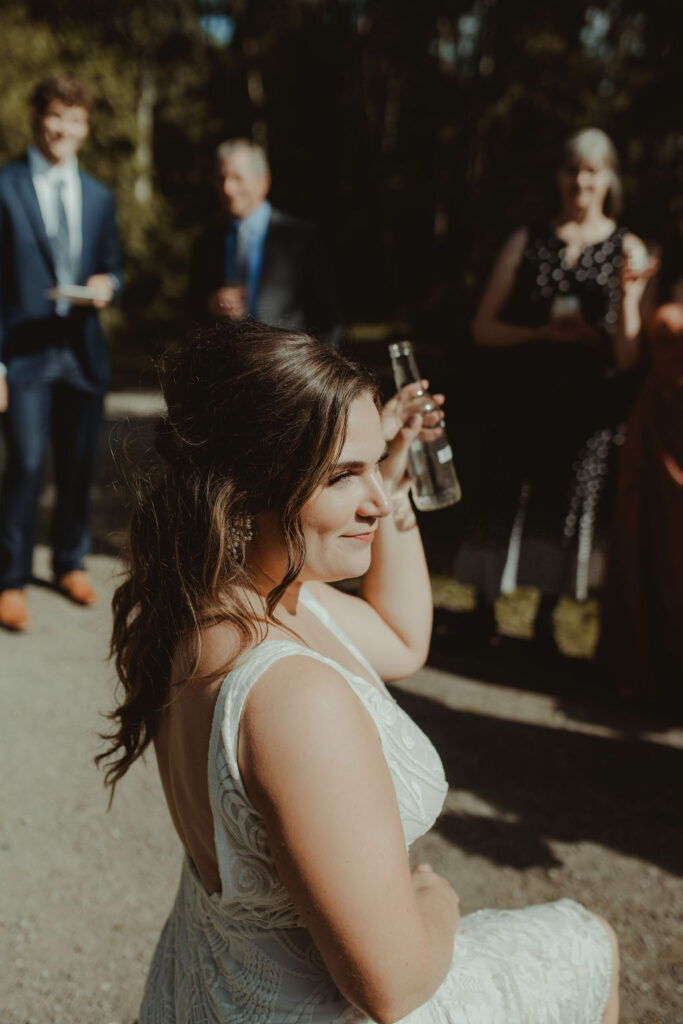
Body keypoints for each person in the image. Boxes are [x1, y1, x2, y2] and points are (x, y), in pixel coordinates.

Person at [97, 321, 619, 1024]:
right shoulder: (291, 696)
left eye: (376, 467)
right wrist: (434, 898)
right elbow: (393, 986)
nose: (376, 499)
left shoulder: (208, 604)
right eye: (344, 476)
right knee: (589, 942)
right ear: (250, 484)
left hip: (204, 990)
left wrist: (388, 471)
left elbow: (403, 640)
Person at [455, 127, 654, 644]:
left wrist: (599, 331)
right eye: (571, 170)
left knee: (566, 510)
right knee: (505, 500)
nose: (580, 181)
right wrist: (538, 333)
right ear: (559, 177)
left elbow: (630, 355)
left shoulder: (626, 247)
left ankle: (546, 615)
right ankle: (485, 609)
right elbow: (482, 327)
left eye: (591, 171)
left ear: (608, 178)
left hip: (585, 409)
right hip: (519, 399)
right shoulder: (528, 239)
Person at [0, 75, 122, 631]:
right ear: (37, 116)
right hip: (21, 353)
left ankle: (70, 561)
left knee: (78, 464)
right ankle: (9, 578)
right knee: (25, 463)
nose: (64, 128)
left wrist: (107, 286)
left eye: (75, 119)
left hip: (81, 350)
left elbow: (113, 267)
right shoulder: (5, 184)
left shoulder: (99, 195)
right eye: (55, 115)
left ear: (86, 127)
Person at [599, 199, 683, 707]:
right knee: (649, 546)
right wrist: (629, 297)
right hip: (656, 427)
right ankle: (648, 669)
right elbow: (628, 356)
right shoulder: (659, 269)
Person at [189, 138, 342, 346]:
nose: (227, 188)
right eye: (221, 178)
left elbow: (328, 322)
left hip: (287, 370)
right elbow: (188, 312)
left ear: (264, 181)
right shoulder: (207, 242)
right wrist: (210, 304)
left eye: (237, 178)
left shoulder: (301, 238)